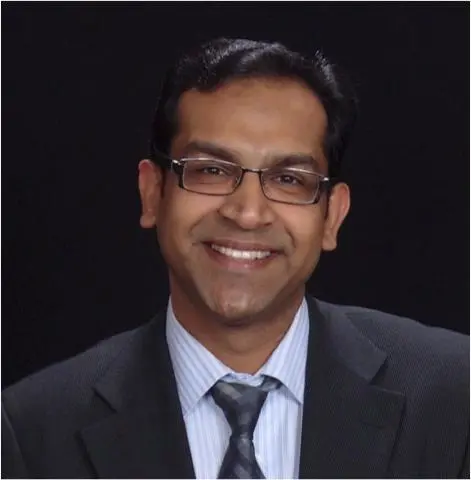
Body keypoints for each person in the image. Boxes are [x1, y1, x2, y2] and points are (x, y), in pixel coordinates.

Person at [2, 37, 469, 479]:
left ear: (332, 216)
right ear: (152, 193)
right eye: (211, 170)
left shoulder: (454, 400)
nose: (247, 214)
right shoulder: (32, 432)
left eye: (289, 179)